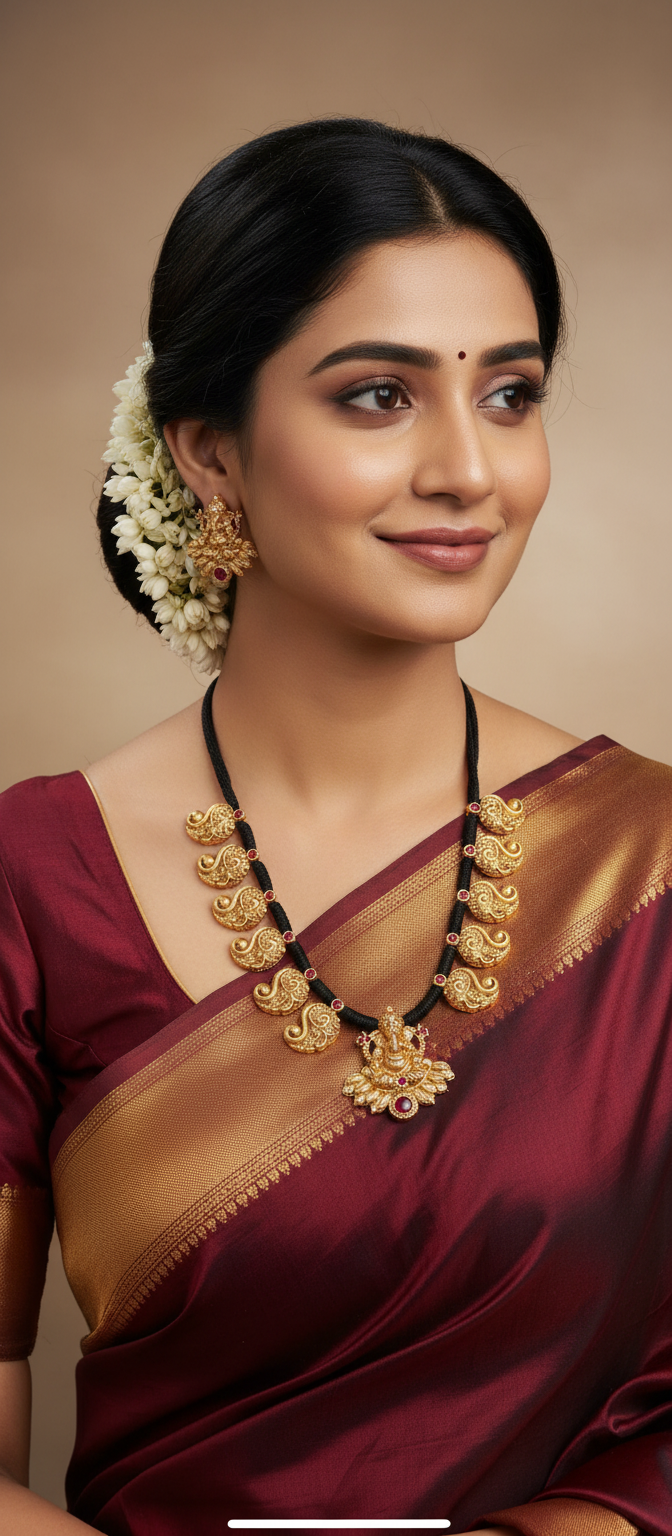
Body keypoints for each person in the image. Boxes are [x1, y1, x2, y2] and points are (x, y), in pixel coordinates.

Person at [0, 117, 669, 1536]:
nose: (469, 469)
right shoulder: (30, 884)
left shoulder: (650, 865)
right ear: (210, 451)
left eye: (510, 394)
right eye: (378, 396)